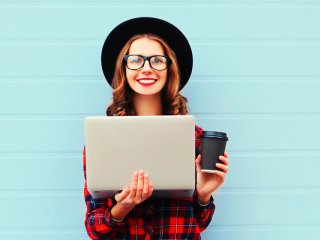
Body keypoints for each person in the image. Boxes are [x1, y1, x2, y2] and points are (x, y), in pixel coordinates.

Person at [83, 17, 229, 239]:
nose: (147, 68)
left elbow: (199, 224)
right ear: (123, 68)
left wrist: (203, 195)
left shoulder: (195, 138)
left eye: (157, 60)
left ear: (170, 68)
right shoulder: (101, 140)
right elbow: (94, 229)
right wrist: (123, 207)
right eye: (136, 60)